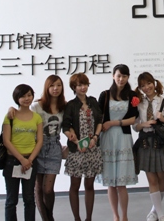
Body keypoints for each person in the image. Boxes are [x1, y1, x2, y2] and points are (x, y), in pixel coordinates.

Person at [8, 75, 68, 221]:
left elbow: (69, 126)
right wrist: (11, 108)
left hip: (54, 148)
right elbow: (24, 115)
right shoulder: (37, 106)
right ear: (46, 88)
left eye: (58, 85)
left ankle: (49, 216)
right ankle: (46, 219)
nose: (55, 88)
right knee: (38, 188)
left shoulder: (64, 106)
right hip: (37, 148)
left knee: (48, 189)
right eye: (52, 85)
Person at [98, 64, 139, 221]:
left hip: (123, 138)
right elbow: (99, 117)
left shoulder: (133, 95)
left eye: (124, 76)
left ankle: (124, 216)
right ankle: (115, 216)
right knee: (111, 182)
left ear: (128, 77)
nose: (121, 79)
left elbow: (133, 119)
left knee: (121, 183)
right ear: (113, 76)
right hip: (107, 138)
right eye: (118, 75)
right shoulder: (105, 95)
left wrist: (113, 123)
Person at [133, 72, 164, 221]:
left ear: (154, 83)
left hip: (160, 143)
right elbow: (135, 126)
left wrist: (162, 118)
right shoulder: (139, 103)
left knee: (160, 179)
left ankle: (154, 211)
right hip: (145, 143)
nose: (147, 87)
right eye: (143, 85)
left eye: (149, 83)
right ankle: (161, 214)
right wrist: (144, 124)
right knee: (152, 180)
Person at [62, 73, 103, 221]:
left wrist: (95, 137)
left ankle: (88, 218)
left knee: (90, 185)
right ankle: (77, 218)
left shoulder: (93, 101)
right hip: (77, 150)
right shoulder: (71, 105)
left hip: (93, 149)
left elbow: (100, 120)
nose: (83, 87)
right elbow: (65, 126)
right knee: (75, 185)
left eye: (85, 84)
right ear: (74, 87)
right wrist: (76, 142)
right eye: (79, 85)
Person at [2, 84, 44, 221]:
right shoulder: (10, 116)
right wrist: (22, 159)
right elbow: (6, 141)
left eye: (29, 95)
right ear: (17, 98)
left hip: (30, 161)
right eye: (23, 96)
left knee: (29, 199)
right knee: (11, 200)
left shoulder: (37, 117)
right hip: (12, 161)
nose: (27, 98)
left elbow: (39, 141)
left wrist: (29, 160)